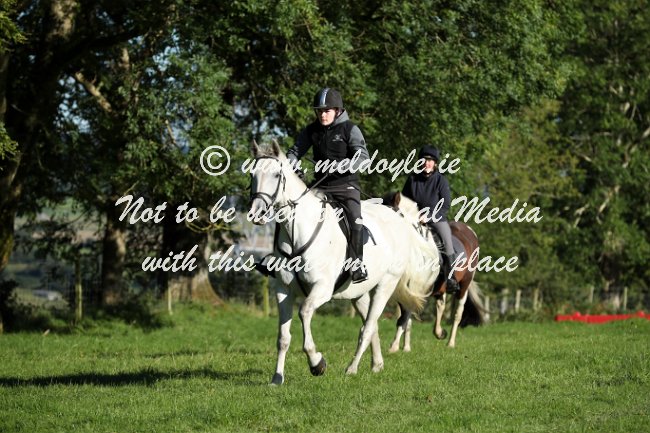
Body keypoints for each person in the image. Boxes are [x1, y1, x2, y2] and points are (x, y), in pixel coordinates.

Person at [287, 88, 370, 283]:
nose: (322, 115)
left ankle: (357, 265)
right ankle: (281, 258)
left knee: (355, 220)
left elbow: (364, 159)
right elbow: (294, 152)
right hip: (320, 187)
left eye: (327, 111)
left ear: (337, 111)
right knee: (290, 210)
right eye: (319, 111)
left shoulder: (350, 129)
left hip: (346, 187)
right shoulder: (311, 130)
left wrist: (341, 166)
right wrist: (294, 166)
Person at [402, 145, 460, 293]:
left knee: (447, 243)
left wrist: (429, 216)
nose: (427, 163)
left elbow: (445, 205)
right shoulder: (412, 179)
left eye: (430, 161)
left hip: (436, 219)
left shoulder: (441, 181)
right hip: (414, 218)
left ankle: (451, 278)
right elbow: (404, 200)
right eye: (424, 160)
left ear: (435, 163)